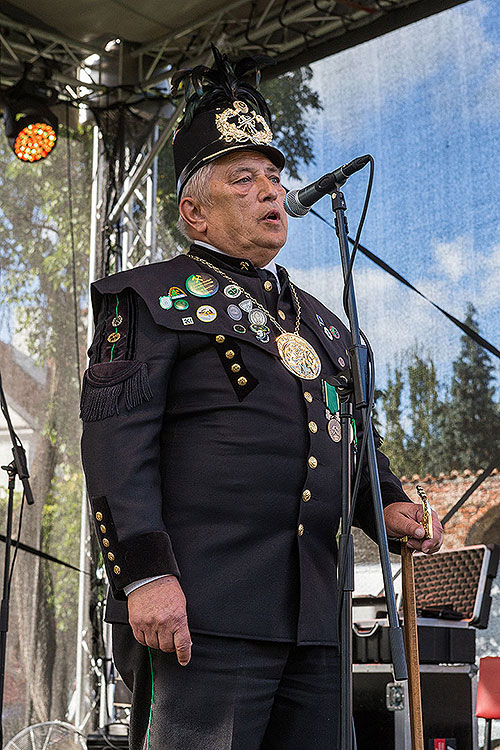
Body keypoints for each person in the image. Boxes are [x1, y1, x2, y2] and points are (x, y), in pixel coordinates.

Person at [80, 47, 443, 750]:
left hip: (314, 619)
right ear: (195, 213)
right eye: (242, 180)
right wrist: (145, 577)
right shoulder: (151, 299)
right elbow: (115, 446)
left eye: (275, 177)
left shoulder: (327, 325)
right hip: (199, 613)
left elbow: (352, 438)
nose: (271, 193)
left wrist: (387, 501)